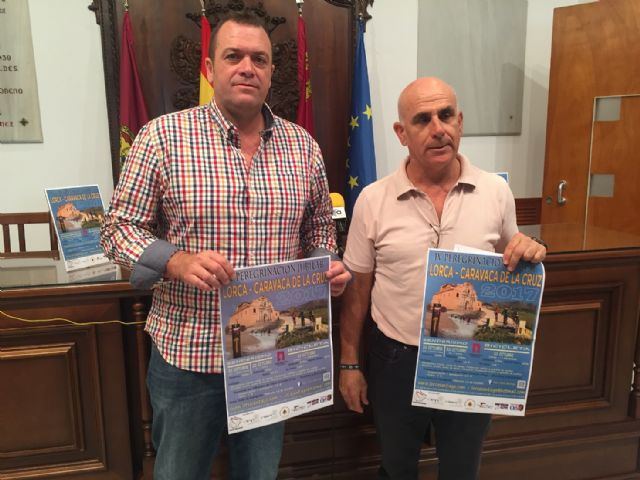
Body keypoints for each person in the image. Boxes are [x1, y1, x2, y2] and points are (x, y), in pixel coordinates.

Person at [101, 12, 351, 480]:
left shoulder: (303, 146)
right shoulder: (162, 137)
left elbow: (319, 228)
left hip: (272, 352)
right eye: (233, 56)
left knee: (260, 473)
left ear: (271, 72)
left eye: (260, 59)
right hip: (189, 354)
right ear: (210, 69)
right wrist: (175, 260)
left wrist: (325, 267)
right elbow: (117, 229)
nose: (247, 68)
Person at [338, 77, 546, 480]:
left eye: (446, 115)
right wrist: (349, 363)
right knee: (396, 467)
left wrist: (532, 248)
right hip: (396, 358)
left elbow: (513, 259)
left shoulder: (495, 191)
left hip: (470, 357)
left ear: (460, 121)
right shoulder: (373, 199)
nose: (438, 129)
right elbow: (358, 289)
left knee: (461, 469)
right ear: (401, 133)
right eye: (422, 119)